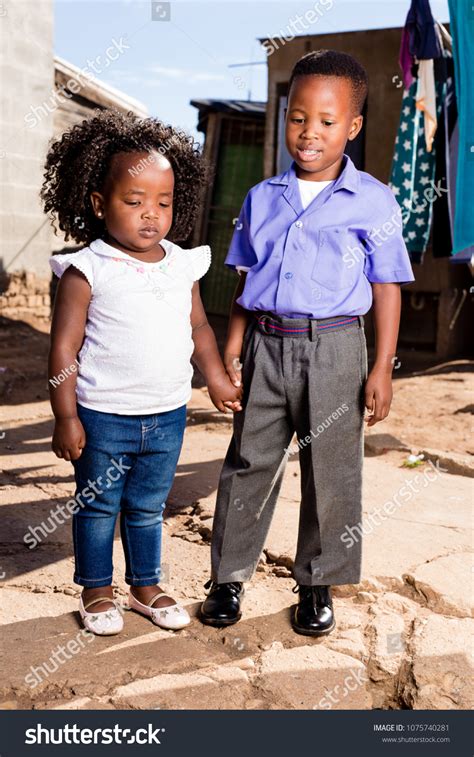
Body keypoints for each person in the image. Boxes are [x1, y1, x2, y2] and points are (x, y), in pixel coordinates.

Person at [200, 50, 415, 636]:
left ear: (353, 126)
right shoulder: (261, 198)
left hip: (338, 348)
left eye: (325, 121)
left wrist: (382, 369)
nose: (309, 133)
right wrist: (232, 348)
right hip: (268, 345)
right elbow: (246, 285)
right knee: (249, 461)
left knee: (333, 469)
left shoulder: (375, 200)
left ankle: (317, 583)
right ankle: (227, 578)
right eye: (298, 118)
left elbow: (388, 288)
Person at [42, 110, 241, 636]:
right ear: (98, 204)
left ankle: (145, 585)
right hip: (104, 415)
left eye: (163, 202)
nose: (150, 214)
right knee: (98, 505)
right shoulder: (89, 268)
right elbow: (63, 347)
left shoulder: (181, 263)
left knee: (148, 506)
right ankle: (97, 590)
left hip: (167, 413)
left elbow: (199, 326)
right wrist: (65, 415)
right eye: (134, 202)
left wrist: (216, 377)